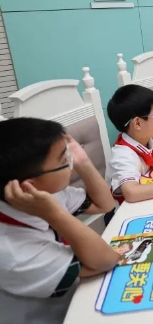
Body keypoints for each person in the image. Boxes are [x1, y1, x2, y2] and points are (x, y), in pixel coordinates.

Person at [0, 118, 119, 323]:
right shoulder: (11, 251)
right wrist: (55, 214)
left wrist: (83, 162)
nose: (70, 165)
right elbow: (105, 260)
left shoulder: (43, 194)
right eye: (65, 160)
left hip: (77, 299)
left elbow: (105, 204)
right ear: (28, 186)